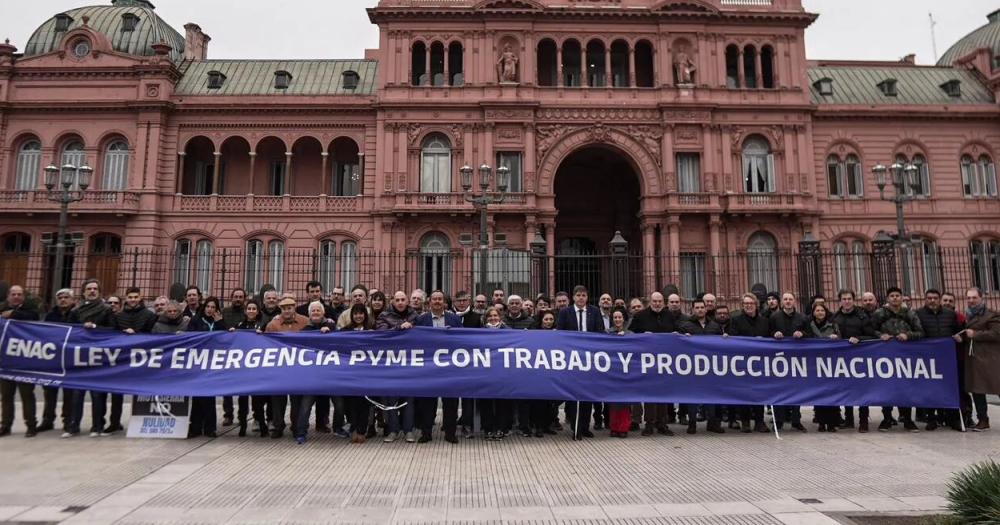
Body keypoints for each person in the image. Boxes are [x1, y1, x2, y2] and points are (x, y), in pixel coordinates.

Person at [103, 286, 157, 436]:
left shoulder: (149, 315)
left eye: (135, 297)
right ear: (126, 299)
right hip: (122, 361)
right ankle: (114, 422)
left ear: (140, 298)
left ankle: (143, 422)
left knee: (143, 392)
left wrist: (137, 335)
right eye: (130, 297)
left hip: (143, 360)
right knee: (116, 393)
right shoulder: (118, 316)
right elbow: (112, 336)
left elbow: (154, 336)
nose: (133, 300)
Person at [63, 279, 113, 438]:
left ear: (99, 291)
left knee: (98, 395)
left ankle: (97, 427)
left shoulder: (106, 310)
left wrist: (96, 328)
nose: (92, 291)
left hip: (98, 358)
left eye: (95, 289)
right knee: (77, 394)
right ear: (84, 292)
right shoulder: (76, 312)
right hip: (80, 357)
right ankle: (73, 426)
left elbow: (112, 329)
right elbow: (69, 332)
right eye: (89, 289)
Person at [871, 286, 924, 432]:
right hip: (885, 357)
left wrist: (908, 336)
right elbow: (870, 330)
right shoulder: (879, 313)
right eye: (892, 296)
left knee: (905, 388)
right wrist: (880, 336)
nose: (895, 298)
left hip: (905, 357)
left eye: (897, 295)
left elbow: (920, 332)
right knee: (886, 388)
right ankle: (887, 418)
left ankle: (907, 419)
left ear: (901, 297)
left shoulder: (910, 313)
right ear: (888, 298)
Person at [414, 290, 463, 443]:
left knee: (450, 402)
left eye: (439, 299)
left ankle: (450, 433)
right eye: (434, 299)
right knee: (428, 402)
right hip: (429, 367)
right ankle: (426, 432)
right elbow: (415, 340)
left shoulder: (454, 319)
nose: (437, 302)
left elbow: (463, 340)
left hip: (449, 367)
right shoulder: (421, 320)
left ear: (444, 302)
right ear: (429, 302)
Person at [556, 285, 604, 440]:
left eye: (584, 295)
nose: (581, 298)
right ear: (574, 297)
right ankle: (575, 425)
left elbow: (600, 332)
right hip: (572, 358)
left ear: (587, 297)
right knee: (573, 394)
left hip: (589, 359)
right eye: (578, 295)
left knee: (587, 394)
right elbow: (560, 334)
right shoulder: (565, 313)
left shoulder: (595, 312)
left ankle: (585, 426)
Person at [628, 292, 677, 437]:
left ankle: (662, 424)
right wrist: (643, 335)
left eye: (660, 301)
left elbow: (676, 331)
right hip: (647, 361)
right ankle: (649, 424)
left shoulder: (669, 316)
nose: (657, 304)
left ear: (663, 302)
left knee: (663, 394)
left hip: (665, 361)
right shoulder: (640, 316)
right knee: (650, 393)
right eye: (654, 301)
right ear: (650, 302)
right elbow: (631, 333)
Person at [915, 288, 961, 431]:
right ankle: (931, 418)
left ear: (939, 299)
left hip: (947, 358)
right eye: (929, 298)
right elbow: (917, 332)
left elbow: (959, 330)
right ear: (925, 299)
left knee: (950, 387)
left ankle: (953, 418)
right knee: (929, 388)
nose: (932, 300)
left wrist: (960, 338)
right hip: (927, 358)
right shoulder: (918, 314)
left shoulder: (950, 314)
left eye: (935, 298)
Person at [955, 287, 999, 432]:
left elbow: (996, 334)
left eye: (974, 298)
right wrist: (961, 337)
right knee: (977, 390)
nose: (971, 301)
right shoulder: (967, 316)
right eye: (968, 298)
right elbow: (968, 334)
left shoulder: (991, 315)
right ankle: (983, 419)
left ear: (981, 298)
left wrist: (976, 334)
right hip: (973, 359)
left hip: (989, 359)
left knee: (997, 387)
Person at [832, 289, 876, 432]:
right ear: (840, 301)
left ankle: (863, 421)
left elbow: (871, 335)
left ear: (853, 300)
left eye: (849, 298)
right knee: (846, 389)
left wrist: (859, 339)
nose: (847, 301)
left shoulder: (862, 316)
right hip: (843, 359)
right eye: (844, 299)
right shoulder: (835, 317)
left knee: (862, 390)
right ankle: (849, 420)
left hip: (860, 357)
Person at [265, 297, 309, 439]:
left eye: (289, 307)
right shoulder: (273, 324)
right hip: (280, 368)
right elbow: (265, 343)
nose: (287, 311)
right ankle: (278, 426)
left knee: (296, 399)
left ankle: (296, 426)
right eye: (284, 308)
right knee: (278, 399)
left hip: (298, 368)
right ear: (280, 309)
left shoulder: (304, 321)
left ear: (294, 307)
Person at [376, 292, 418, 443]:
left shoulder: (415, 316)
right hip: (390, 365)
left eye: (403, 300)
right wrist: (400, 327)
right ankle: (393, 430)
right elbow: (382, 334)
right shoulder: (383, 315)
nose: (400, 302)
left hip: (409, 364)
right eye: (397, 300)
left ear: (407, 301)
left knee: (408, 399)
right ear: (392, 301)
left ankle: (408, 430)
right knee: (390, 399)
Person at [0, 285, 40, 438]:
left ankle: (31, 425)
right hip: (6, 362)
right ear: (8, 296)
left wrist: (14, 314)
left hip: (25, 361)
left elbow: (34, 318)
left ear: (23, 297)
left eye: (19, 294)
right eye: (13, 294)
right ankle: (5, 425)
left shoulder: (31, 311)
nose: (16, 296)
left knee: (27, 394)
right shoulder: (2, 310)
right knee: (6, 395)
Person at [185, 296, 227, 438]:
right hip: (198, 362)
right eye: (208, 307)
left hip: (213, 363)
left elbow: (225, 338)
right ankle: (195, 427)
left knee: (209, 396)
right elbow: (190, 337)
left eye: (213, 307)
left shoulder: (219, 321)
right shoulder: (196, 320)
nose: (210, 310)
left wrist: (219, 322)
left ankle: (210, 428)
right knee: (197, 396)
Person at [680, 299, 724, 434]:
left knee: (711, 395)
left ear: (706, 309)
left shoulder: (715, 326)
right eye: (697, 307)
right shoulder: (685, 326)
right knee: (692, 396)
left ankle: (712, 423)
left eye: (702, 307)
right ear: (693, 310)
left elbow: (722, 345)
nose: (699, 310)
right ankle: (692, 423)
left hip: (711, 367)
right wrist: (682, 337)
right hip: (692, 367)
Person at [731, 292, 772, 433]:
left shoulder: (764, 321)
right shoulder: (736, 320)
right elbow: (733, 339)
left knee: (759, 393)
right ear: (742, 306)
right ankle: (745, 421)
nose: (748, 306)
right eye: (746, 304)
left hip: (759, 363)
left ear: (756, 305)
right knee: (744, 392)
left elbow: (770, 340)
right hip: (742, 363)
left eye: (751, 303)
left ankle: (759, 422)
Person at [769, 292, 808, 432]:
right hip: (778, 360)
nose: (788, 301)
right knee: (779, 390)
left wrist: (802, 334)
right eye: (785, 299)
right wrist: (774, 334)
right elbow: (769, 332)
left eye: (790, 299)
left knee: (796, 390)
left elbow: (809, 334)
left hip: (796, 360)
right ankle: (778, 421)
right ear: (782, 302)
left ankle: (796, 420)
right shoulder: (774, 317)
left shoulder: (802, 317)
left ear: (794, 301)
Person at [40, 288, 75, 433]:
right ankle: (48, 420)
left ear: (73, 300)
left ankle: (67, 421)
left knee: (69, 393)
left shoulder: (77, 315)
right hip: (53, 360)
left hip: (70, 360)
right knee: (49, 392)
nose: (63, 299)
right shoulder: (50, 316)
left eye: (66, 297)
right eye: (60, 297)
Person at [234, 300, 269, 437]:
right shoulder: (240, 325)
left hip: (257, 369)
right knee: (242, 401)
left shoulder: (262, 325)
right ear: (245, 311)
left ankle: (262, 425)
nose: (251, 311)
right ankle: (242, 425)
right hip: (243, 369)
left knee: (257, 401)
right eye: (249, 308)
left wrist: (263, 335)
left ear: (258, 311)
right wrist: (232, 332)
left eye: (254, 309)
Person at [805, 303, 841, 432]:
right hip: (815, 363)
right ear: (813, 312)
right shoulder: (809, 325)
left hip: (830, 363)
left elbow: (841, 340)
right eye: (817, 310)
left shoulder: (833, 325)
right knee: (819, 393)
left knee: (831, 393)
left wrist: (836, 338)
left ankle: (832, 423)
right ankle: (821, 422)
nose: (820, 312)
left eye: (822, 310)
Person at [480, 307, 510, 440]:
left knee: (502, 403)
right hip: (485, 373)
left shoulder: (508, 332)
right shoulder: (479, 332)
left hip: (503, 373)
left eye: (495, 316)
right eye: (490, 316)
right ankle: (487, 429)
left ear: (500, 317)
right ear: (486, 318)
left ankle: (500, 428)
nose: (493, 318)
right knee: (486, 402)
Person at [607, 307, 633, 438]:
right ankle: (614, 427)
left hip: (626, 373)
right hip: (612, 372)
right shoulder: (607, 333)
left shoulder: (631, 334)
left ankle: (623, 428)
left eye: (620, 317)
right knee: (613, 402)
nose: (617, 320)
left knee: (625, 402)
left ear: (624, 319)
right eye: (615, 317)